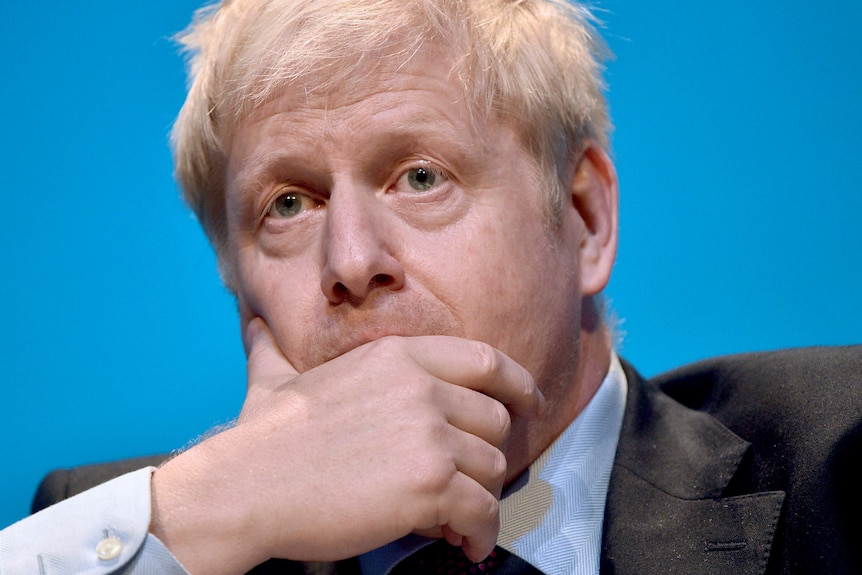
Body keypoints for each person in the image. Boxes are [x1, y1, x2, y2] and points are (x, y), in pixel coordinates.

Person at [1, 0, 860, 574]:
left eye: (419, 177)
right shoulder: (154, 531)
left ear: (585, 217)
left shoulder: (843, 462)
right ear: (238, 289)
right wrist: (196, 514)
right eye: (289, 204)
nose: (349, 260)